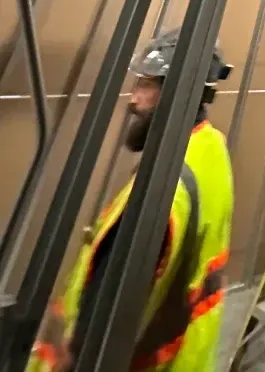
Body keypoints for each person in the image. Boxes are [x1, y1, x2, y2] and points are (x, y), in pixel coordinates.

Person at [30, 30, 234, 372]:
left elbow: (102, 322)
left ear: (178, 92)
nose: (133, 99)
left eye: (146, 85)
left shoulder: (162, 194)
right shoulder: (210, 148)